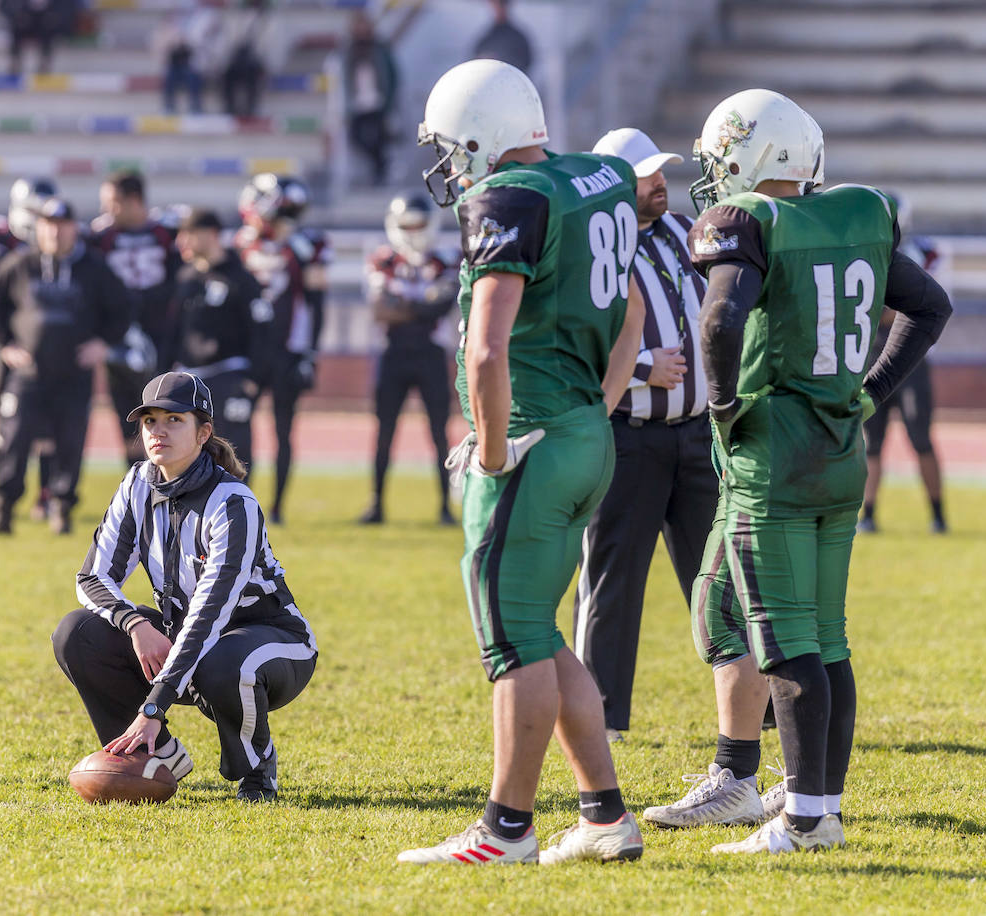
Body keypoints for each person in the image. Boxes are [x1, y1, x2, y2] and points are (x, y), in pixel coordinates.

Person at [685, 88, 951, 854]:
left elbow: (720, 317)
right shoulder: (856, 213)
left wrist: (727, 403)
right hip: (841, 454)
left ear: (748, 154)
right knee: (828, 639)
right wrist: (869, 393)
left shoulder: (749, 223)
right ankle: (820, 807)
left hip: (774, 457)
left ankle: (803, 817)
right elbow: (928, 306)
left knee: (785, 639)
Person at [398, 59, 648, 866]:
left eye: (449, 144)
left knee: (510, 643)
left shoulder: (511, 198)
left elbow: (484, 350)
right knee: (540, 633)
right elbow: (633, 311)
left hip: (534, 443)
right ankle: (606, 814)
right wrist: (598, 410)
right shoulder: (600, 177)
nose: (447, 162)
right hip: (584, 433)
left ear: (481, 134)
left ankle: (506, 828)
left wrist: (495, 448)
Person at [53, 370, 317, 802]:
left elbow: (209, 616)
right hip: (191, 638)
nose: (159, 431)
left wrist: (153, 706)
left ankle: (255, 767)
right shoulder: (137, 483)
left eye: (175, 420)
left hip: (271, 643)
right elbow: (93, 578)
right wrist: (137, 626)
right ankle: (157, 754)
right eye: (150, 421)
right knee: (76, 633)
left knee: (225, 661)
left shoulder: (233, 503)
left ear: (203, 432)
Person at [567, 127, 721, 745]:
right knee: (612, 578)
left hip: (695, 433)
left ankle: (760, 702)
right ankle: (599, 714)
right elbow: (574, 336)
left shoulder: (683, 228)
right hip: (629, 433)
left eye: (660, 172)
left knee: (720, 573)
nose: (661, 182)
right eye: (647, 175)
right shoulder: (593, 247)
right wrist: (638, 369)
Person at [0, 197, 129, 536]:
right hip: (28, 373)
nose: (55, 232)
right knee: (13, 439)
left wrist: (102, 343)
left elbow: (122, 308)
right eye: (48, 224)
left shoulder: (94, 268)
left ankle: (61, 508)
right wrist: (5, 344)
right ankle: (4, 510)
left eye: (62, 225)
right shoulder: (21, 265)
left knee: (70, 442)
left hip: (73, 373)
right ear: (40, 228)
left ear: (73, 229)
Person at [357, 192, 458, 526]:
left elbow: (442, 306)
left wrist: (403, 306)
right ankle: (376, 504)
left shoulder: (445, 258)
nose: (413, 230)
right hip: (394, 353)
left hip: (430, 353)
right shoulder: (383, 259)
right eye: (407, 224)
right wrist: (422, 306)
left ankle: (445, 506)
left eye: (419, 223)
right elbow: (379, 310)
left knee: (439, 432)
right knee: (384, 430)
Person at [235, 173, 329, 524]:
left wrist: (310, 354)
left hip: (287, 351)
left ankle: (276, 508)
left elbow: (317, 303)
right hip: (249, 351)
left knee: (283, 430)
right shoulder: (241, 244)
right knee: (239, 427)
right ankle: (240, 501)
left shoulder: (305, 247)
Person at [859, 200, 947, 535]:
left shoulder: (925, 253)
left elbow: (927, 304)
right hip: (870, 355)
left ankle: (938, 515)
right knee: (871, 441)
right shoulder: (865, 255)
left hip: (911, 360)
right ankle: (868, 515)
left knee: (921, 437)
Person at [0, 176, 59, 521]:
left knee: (50, 426)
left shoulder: (58, 240)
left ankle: (47, 496)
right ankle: (2, 494)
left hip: (47, 344)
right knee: (4, 423)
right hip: (8, 343)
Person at [86, 170, 179, 465]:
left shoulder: (168, 234)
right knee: (128, 418)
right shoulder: (101, 237)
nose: (106, 210)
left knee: (164, 414)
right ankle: (139, 486)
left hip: (160, 336)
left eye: (112, 202)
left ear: (134, 200)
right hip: (119, 337)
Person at [169, 207, 270, 470]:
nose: (182, 241)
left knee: (232, 451)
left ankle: (236, 508)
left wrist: (252, 380)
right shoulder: (186, 278)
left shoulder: (241, 280)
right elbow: (174, 331)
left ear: (211, 235)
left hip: (228, 376)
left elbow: (261, 331)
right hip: (190, 380)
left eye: (189, 233)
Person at [343, 12, 398, 186]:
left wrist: (389, 99)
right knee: (357, 138)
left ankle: (380, 170)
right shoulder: (349, 51)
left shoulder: (380, 49)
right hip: (358, 104)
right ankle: (379, 165)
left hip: (377, 102)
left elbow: (391, 75)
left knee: (378, 139)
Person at [0, 0, 76, 77]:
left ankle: (44, 62)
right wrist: (15, 16)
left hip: (47, 20)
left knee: (48, 27)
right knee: (16, 29)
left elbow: (66, 7)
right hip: (23, 18)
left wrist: (56, 18)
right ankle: (15, 62)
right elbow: (4, 6)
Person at [470, 0, 533, 76]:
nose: (495, 9)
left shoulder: (518, 38)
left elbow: (526, 62)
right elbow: (473, 60)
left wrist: (500, 63)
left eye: (499, 4)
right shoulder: (487, 36)